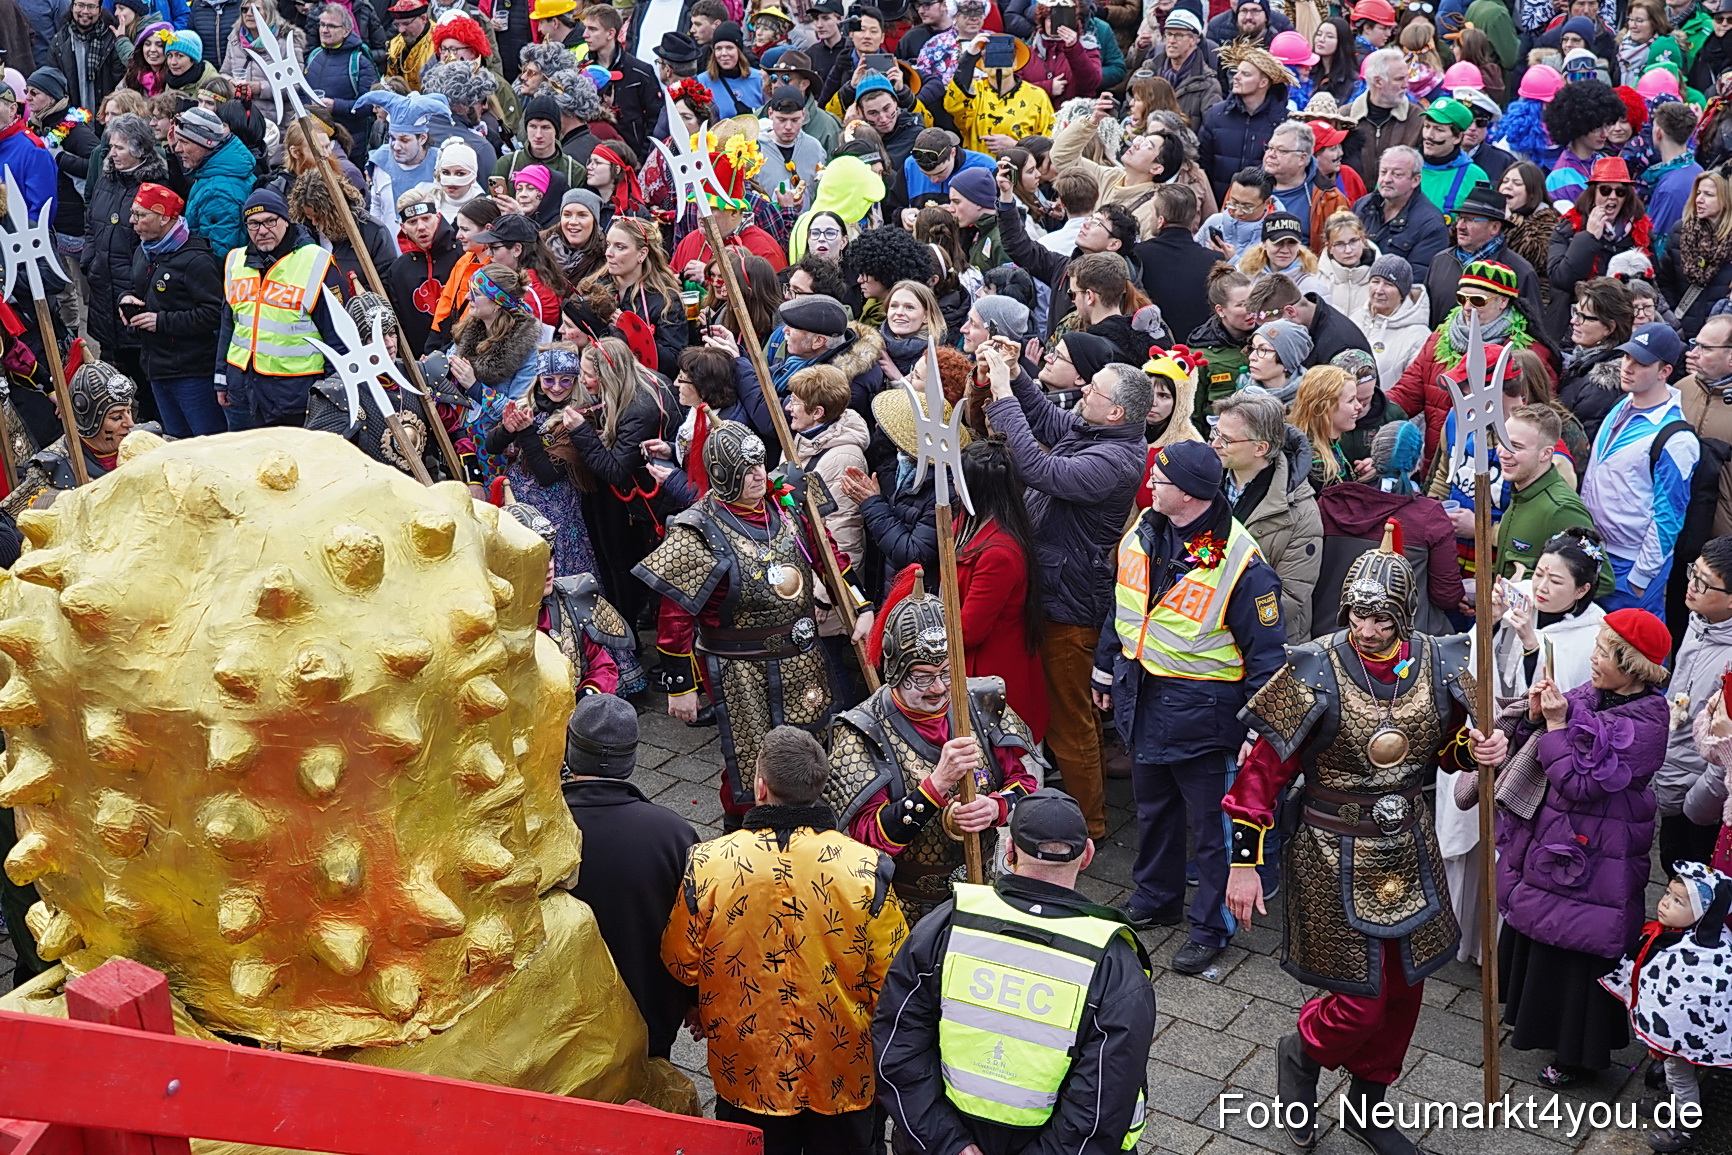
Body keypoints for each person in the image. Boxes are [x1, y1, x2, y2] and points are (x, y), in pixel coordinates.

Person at [1225, 534, 1471, 1155]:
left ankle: (1369, 1105)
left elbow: (1447, 749)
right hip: (1331, 851)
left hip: (1409, 845)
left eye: (1381, 615)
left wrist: (1480, 751)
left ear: (1404, 612)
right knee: (1360, 1002)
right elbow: (1259, 778)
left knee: (1406, 990)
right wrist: (1245, 864)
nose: (1366, 626)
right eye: (1358, 613)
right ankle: (1302, 1055)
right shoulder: (1311, 668)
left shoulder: (1440, 662)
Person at [663, 725, 907, 1155]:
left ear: (760, 786)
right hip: (841, 1069)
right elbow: (892, 978)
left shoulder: (709, 863)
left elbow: (681, 960)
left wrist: (700, 1005)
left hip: (747, 1068)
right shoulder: (868, 869)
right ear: (819, 788)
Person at [1091, 438, 1286, 970]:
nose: (1150, 484)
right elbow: (1123, 605)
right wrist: (1106, 667)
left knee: (1212, 829)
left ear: (1191, 495)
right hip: (1144, 696)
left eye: (1161, 479)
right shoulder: (1147, 532)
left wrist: (1258, 729)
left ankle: (1212, 924)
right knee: (1153, 810)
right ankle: (1155, 897)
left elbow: (1268, 657)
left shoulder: (1243, 563)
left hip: (1206, 711)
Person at [872, 789, 1157, 1153]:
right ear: (1086, 855)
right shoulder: (1115, 964)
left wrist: (950, 1144)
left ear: (1009, 853)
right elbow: (1103, 1100)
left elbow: (898, 1045)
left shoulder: (944, 927)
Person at [1469, 607, 1671, 1087]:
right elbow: (1545, 736)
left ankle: (1578, 1054)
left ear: (1633, 667)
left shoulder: (1648, 721)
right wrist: (1538, 715)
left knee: (1582, 946)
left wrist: (1557, 728)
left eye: (1606, 653)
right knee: (1545, 932)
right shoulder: (1594, 692)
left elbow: (1580, 784)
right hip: (1559, 844)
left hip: (1603, 853)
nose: (1595, 659)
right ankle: (1538, 1025)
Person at [634, 421, 868, 827]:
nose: (760, 475)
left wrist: (861, 607)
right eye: (747, 469)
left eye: (761, 464)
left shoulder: (791, 502)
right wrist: (680, 687)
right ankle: (747, 834)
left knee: (809, 748)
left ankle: (807, 825)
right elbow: (674, 613)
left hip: (803, 655)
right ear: (724, 474)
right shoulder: (698, 528)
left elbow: (832, 559)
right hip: (738, 666)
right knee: (748, 761)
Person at [981, 340, 1147, 842]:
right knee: (1071, 716)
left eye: (1093, 390)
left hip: (1073, 603)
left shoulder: (1114, 460)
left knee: (1072, 720)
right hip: (1057, 588)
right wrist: (1019, 374)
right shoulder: (1098, 429)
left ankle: (1089, 828)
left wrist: (1004, 393)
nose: (1082, 391)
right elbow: (1052, 426)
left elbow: (1040, 468)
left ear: (1115, 411)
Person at [825, 571, 1043, 921]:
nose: (939, 689)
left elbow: (1024, 783)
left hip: (981, 889)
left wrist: (995, 808)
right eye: (922, 677)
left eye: (945, 673)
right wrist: (936, 784)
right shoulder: (862, 731)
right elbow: (866, 842)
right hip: (902, 906)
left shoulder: (980, 702)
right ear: (895, 672)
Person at [1601, 861, 1732, 1153]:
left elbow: (1685, 1006)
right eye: (1667, 893)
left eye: (1678, 901)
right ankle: (1676, 1103)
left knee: (1679, 1075)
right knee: (1676, 1073)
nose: (1664, 903)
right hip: (1675, 1035)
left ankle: (1686, 1127)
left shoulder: (1700, 959)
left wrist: (1664, 1041)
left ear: (1703, 913)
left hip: (1683, 1039)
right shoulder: (1679, 936)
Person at [1389, 259, 1556, 475]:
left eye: (1477, 300)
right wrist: (1368, 407)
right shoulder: (1441, 337)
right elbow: (1407, 393)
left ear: (1503, 301)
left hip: (1496, 471)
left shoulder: (1528, 354)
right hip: (1440, 464)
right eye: (1462, 298)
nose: (1467, 308)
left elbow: (1537, 417)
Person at [1583, 322, 1699, 621]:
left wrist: (1640, 578)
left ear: (1665, 372)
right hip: (1598, 551)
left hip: (1630, 563)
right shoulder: (1623, 404)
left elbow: (1669, 518)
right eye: (1627, 357)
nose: (1628, 367)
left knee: (1631, 656)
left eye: (1642, 362)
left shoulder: (1678, 440)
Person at [215, 189, 346, 432]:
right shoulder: (235, 261)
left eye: (269, 221)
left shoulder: (314, 261)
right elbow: (229, 326)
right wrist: (221, 378)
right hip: (244, 389)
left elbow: (337, 336)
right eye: (253, 224)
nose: (262, 231)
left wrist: (334, 389)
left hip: (297, 395)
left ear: (286, 220)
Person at [1213, 390, 1322, 640]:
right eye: (1215, 432)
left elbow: (1290, 597)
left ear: (1260, 448)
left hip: (1262, 648)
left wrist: (1213, 621)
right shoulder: (1203, 483)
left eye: (1226, 439)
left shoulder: (1301, 512)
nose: (1215, 444)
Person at [121, 181, 225, 438]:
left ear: (165, 218)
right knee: (175, 442)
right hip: (156, 368)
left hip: (191, 373)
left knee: (205, 444)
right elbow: (134, 287)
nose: (132, 221)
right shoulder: (144, 251)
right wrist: (126, 301)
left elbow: (214, 314)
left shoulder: (196, 260)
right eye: (133, 213)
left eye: (140, 215)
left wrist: (162, 322)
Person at [1654, 537, 1732, 877]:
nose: (1691, 586)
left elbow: (1724, 749)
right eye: (1692, 573)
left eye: (1704, 582)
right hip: (1671, 781)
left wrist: (1697, 806)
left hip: (1700, 803)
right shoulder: (1700, 622)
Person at [1495, 405, 1612, 588]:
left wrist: (1530, 582)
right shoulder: (1521, 490)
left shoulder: (1561, 509)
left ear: (1546, 453)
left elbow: (1603, 581)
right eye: (1501, 441)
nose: (1502, 452)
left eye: (1515, 446)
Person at [3, 361, 140, 512]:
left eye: (129, 410)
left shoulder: (151, 442)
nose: (130, 423)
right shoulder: (49, 470)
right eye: (116, 417)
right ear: (91, 421)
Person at [1425, 181, 1547, 330]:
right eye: (1460, 218)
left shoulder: (1520, 271)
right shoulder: (1440, 261)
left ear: (1494, 227)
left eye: (1470, 220)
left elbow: (1534, 332)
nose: (1460, 226)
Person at [1549, 157, 1658, 315]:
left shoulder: (1641, 231)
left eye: (1620, 192)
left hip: (1625, 318)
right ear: (1593, 193)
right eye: (1605, 190)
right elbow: (1561, 280)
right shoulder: (1568, 228)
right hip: (1578, 318)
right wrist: (1589, 238)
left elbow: (1653, 282)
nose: (1613, 197)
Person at [1197, 47, 1294, 201]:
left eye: (1245, 74)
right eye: (1237, 72)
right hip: (1218, 204)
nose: (1236, 77)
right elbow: (1202, 163)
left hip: (1263, 206)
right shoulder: (1216, 115)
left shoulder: (1284, 123)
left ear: (1263, 82)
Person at [1353, 145, 1450, 285]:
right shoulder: (1362, 206)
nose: (1386, 179)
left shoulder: (1431, 224)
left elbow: (1417, 279)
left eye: (1397, 174)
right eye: (1383, 172)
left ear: (1415, 180)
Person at [1557, 275, 1637, 442]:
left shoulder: (1601, 387)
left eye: (1583, 316)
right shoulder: (1582, 359)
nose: (1573, 321)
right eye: (1575, 312)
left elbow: (1581, 443)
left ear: (1609, 327)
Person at [1660, 171, 1732, 340]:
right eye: (1698, 193)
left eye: (1709, 195)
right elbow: (1665, 282)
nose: (1699, 199)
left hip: (1723, 336)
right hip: (1681, 330)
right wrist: (1674, 320)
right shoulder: (1680, 231)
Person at [170, 105, 252, 255]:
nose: (177, 149)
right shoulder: (214, 172)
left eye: (184, 142)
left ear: (206, 143)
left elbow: (217, 254)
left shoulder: (218, 191)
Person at [1342, 48, 1423, 190]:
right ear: (1378, 82)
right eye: (1399, 79)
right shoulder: (1345, 117)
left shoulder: (1418, 119)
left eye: (1406, 77)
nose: (1406, 84)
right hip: (1352, 203)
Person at [1352, 253, 1429, 391]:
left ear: (1402, 293)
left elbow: (1414, 392)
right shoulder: (1355, 319)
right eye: (1375, 281)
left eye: (1388, 284)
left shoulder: (1419, 336)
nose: (1379, 290)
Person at [44, 0, 121, 113]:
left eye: (91, 6)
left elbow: (119, 81)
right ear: (72, 7)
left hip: (106, 117)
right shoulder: (59, 42)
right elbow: (53, 85)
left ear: (100, 10)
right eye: (80, 5)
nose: (85, 11)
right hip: (71, 120)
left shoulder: (112, 40)